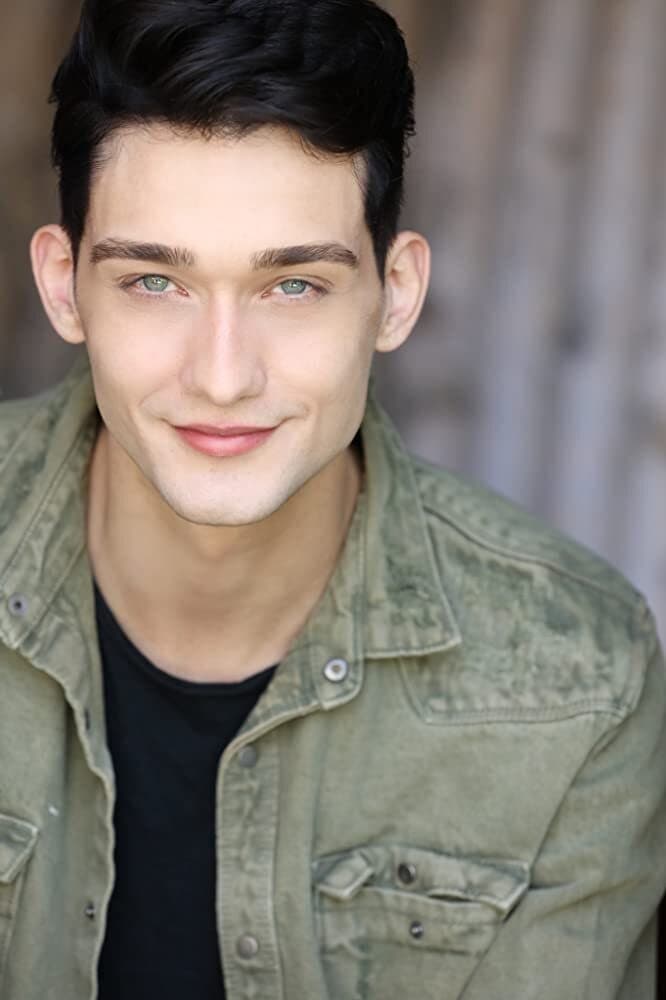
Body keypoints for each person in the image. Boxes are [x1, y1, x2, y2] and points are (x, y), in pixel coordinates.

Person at [0, 0, 664, 997]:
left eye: (295, 286)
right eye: (154, 282)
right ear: (63, 286)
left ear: (395, 294)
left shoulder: (577, 681)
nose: (222, 377)